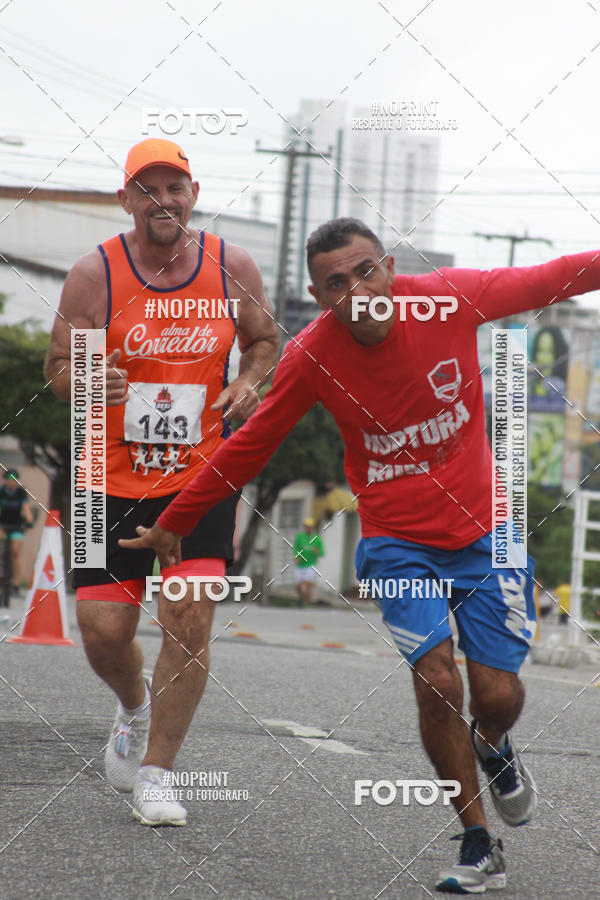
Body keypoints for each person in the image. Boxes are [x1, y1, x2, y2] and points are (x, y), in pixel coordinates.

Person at [120, 217, 600, 891]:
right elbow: (248, 444)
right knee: (437, 680)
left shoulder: (450, 299)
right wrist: (174, 522)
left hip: (485, 530)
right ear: (320, 298)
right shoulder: (313, 355)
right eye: (336, 283)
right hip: (396, 543)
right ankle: (475, 841)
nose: (357, 291)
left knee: (496, 693)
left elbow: (553, 276)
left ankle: (494, 745)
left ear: (391, 268)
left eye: (366, 270)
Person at [44, 138, 279, 827]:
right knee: (101, 629)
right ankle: (131, 705)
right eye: (146, 190)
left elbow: (265, 340)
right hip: (103, 476)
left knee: (189, 613)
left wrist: (247, 380)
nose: (162, 201)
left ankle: (158, 773)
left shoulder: (229, 265)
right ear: (126, 200)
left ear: (193, 194)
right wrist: (90, 377)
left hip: (199, 476)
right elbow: (59, 369)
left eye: (173, 188)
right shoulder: (95, 275)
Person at [0, 468, 34, 599]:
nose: (11, 483)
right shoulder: (2, 491)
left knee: (15, 552)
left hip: (16, 526)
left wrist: (29, 520)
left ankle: (16, 584)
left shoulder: (21, 492)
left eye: (14, 480)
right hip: (3, 524)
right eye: (9, 480)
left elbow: (26, 508)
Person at [293, 517, 324, 605]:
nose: (308, 528)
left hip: (311, 565)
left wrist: (317, 552)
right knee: (298, 586)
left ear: (312, 528)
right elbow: (295, 548)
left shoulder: (316, 538)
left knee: (307, 583)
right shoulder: (300, 537)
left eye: (310, 526)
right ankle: (302, 598)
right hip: (300, 565)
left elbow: (322, 552)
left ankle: (306, 604)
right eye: (306, 526)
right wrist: (296, 556)